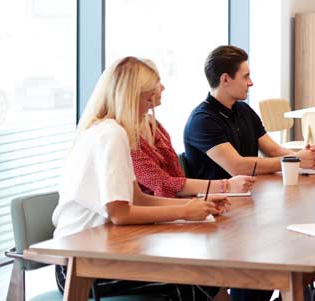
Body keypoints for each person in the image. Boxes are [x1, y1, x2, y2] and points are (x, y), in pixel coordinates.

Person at [52, 57, 229, 300]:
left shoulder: (112, 131)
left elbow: (138, 199)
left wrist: (198, 205)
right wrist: (184, 212)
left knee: (204, 276)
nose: (149, 108)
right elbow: (120, 214)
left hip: (104, 252)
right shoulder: (110, 135)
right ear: (129, 97)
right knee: (196, 280)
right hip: (82, 265)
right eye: (147, 100)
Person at [184, 45, 315, 181]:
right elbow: (237, 167)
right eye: (245, 77)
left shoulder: (244, 110)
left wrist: (308, 158)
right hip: (219, 201)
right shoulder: (202, 121)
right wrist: (296, 160)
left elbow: (273, 150)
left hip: (250, 193)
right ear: (225, 79)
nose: (250, 83)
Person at [130, 60, 255, 198]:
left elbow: (176, 176)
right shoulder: (202, 119)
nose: (163, 87)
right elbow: (162, 183)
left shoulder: (153, 125)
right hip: (160, 212)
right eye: (157, 82)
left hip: (175, 206)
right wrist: (225, 186)